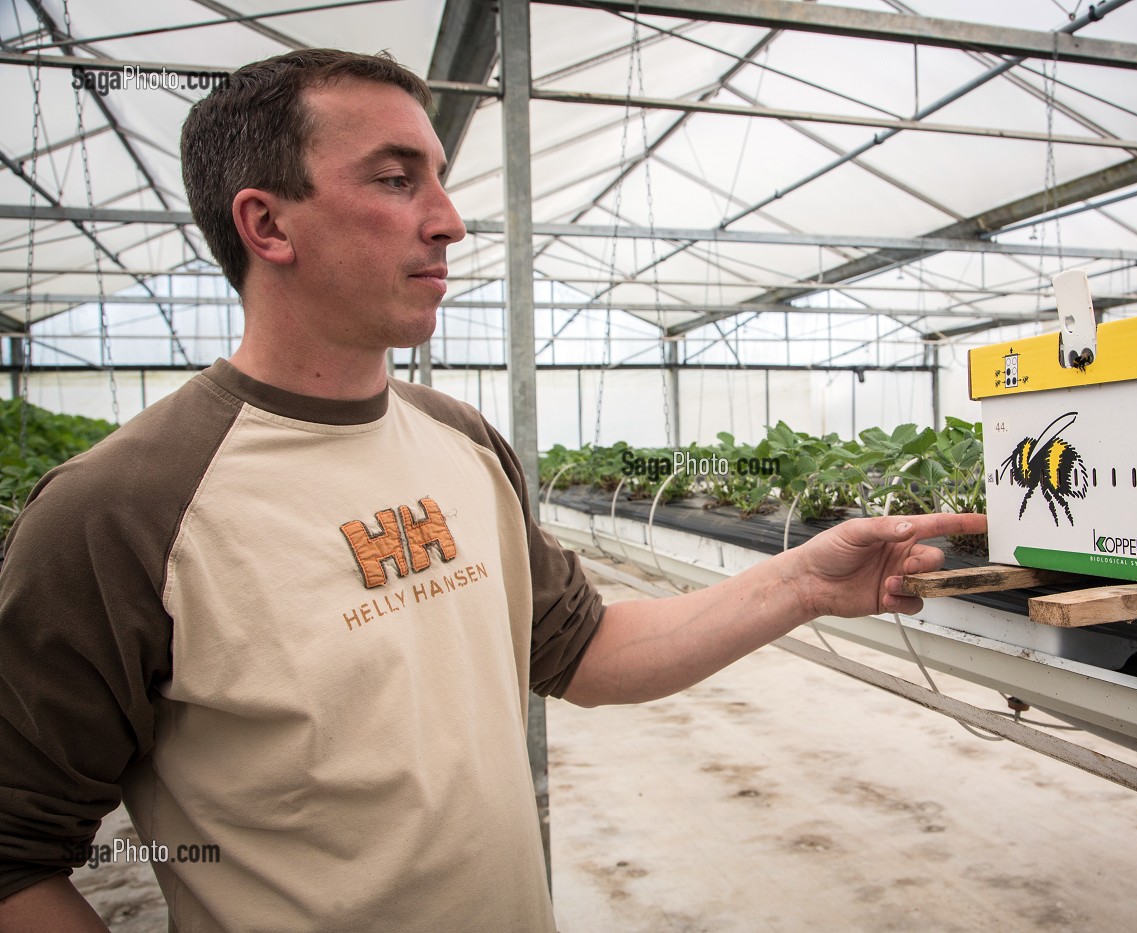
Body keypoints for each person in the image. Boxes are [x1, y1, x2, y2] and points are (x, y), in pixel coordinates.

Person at [0, 49, 984, 932]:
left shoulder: (459, 440)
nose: (451, 221)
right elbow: (15, 861)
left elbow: (583, 652)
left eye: (439, 180)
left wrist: (800, 584)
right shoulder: (122, 509)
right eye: (396, 180)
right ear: (267, 224)